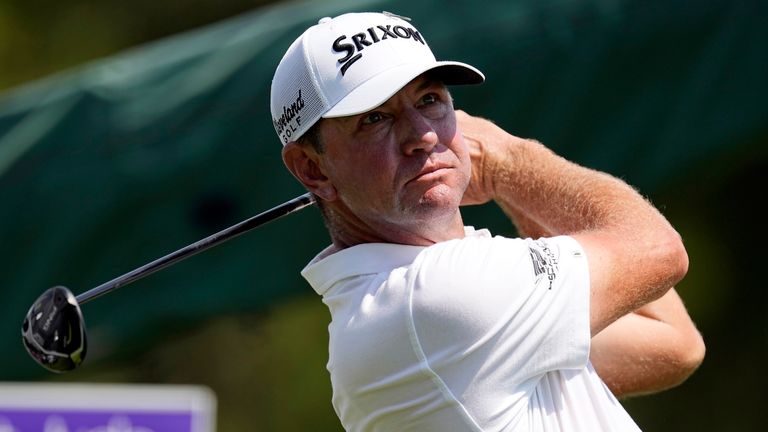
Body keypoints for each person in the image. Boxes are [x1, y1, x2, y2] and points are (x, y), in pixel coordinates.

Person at [270, 11, 705, 432]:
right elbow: (659, 252)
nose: (422, 135)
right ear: (313, 169)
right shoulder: (432, 300)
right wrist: (506, 161)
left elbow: (670, 341)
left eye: (430, 100)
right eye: (375, 119)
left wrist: (512, 187)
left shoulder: (437, 295)